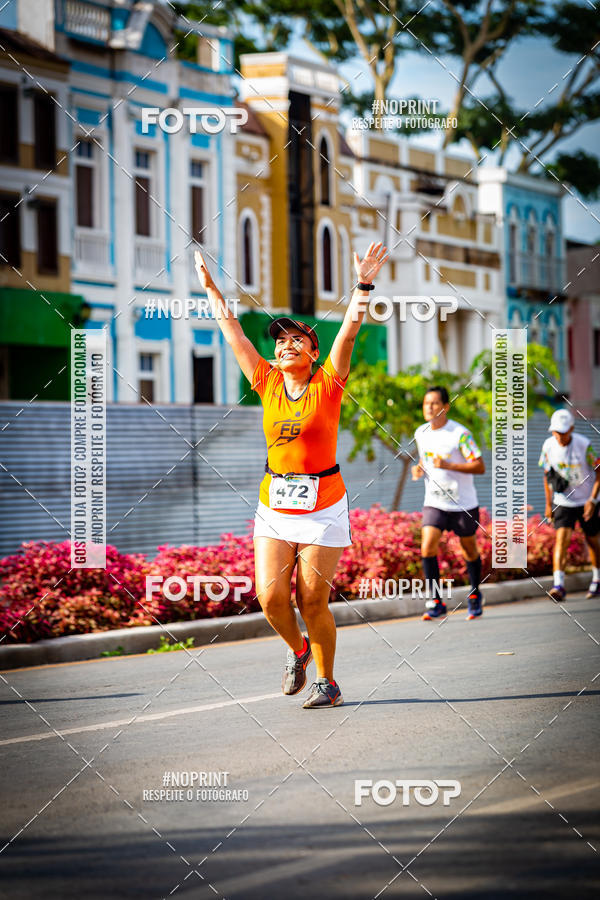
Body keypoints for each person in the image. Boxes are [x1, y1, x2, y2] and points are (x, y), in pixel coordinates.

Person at [194, 242, 389, 708]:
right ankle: (297, 651)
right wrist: (210, 290)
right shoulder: (265, 382)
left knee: (311, 599)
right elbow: (232, 332)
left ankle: (327, 681)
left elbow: (348, 331)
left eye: (296, 339)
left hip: (324, 505)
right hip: (275, 505)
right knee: (270, 597)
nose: (285, 346)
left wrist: (362, 284)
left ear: (313, 350)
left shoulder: (328, 382)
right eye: (279, 341)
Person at [412, 386, 486, 620]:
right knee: (427, 546)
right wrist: (419, 468)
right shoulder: (421, 432)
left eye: (434, 403)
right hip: (434, 501)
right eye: (426, 403)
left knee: (469, 549)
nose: (429, 407)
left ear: (445, 407)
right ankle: (436, 601)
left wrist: (449, 465)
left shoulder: (460, 434)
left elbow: (479, 466)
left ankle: (475, 594)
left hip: (462, 503)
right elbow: (426, 460)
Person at [539, 408, 600, 601]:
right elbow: (546, 475)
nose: (559, 436)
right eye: (556, 432)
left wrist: (592, 499)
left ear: (572, 429)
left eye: (564, 432)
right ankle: (558, 585)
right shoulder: (548, 446)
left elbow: (599, 472)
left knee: (592, 539)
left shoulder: (584, 445)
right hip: (563, 501)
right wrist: (548, 505)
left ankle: (597, 579)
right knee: (561, 540)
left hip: (586, 500)